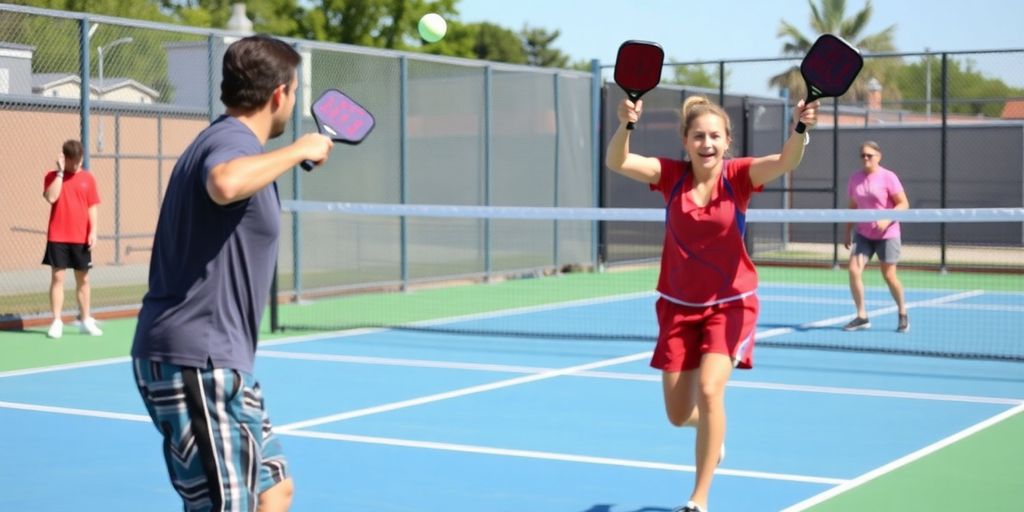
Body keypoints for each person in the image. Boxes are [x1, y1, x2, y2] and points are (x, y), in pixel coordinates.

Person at [131, 35, 333, 512]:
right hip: (196, 361)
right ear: (280, 94)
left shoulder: (235, 146)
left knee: (275, 491)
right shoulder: (230, 142)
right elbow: (225, 183)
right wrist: (298, 148)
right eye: (295, 92)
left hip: (223, 365)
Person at [606, 94, 818, 512]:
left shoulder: (739, 176)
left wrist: (800, 127)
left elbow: (785, 161)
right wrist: (625, 125)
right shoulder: (670, 176)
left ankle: (698, 500)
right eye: (699, 136)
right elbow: (618, 161)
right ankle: (712, 437)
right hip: (676, 305)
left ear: (727, 142)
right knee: (678, 414)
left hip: (731, 303)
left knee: (709, 388)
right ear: (686, 141)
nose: (707, 143)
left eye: (715, 136)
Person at [842, 141, 910, 333]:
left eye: (869, 155)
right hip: (863, 234)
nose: (865, 158)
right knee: (854, 270)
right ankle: (862, 316)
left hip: (888, 234)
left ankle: (903, 312)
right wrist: (847, 231)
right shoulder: (855, 178)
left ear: (878, 157)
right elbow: (852, 207)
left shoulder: (889, 177)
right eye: (863, 155)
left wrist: (886, 219)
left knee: (889, 275)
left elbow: (903, 204)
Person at [42, 139, 103, 339]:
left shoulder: (88, 179)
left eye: (79, 161)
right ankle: (57, 321)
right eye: (73, 161)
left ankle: (85, 320)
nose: (77, 165)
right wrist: (60, 173)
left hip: (81, 237)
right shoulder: (52, 176)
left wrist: (93, 231)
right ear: (64, 158)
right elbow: (51, 197)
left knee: (83, 279)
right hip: (58, 236)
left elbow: (92, 206)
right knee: (58, 277)